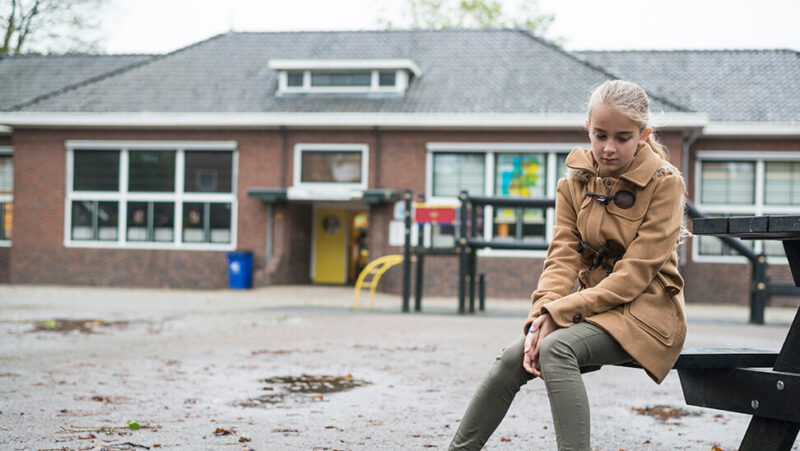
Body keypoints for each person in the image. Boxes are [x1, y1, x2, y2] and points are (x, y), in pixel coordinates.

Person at [449, 80, 688, 450]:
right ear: (588, 129)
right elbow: (561, 257)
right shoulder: (574, 182)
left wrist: (559, 312)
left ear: (644, 135)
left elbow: (633, 276)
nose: (608, 148)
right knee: (515, 355)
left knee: (557, 350)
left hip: (646, 312)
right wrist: (539, 316)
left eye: (623, 137)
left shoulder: (665, 184)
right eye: (600, 134)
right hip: (594, 308)